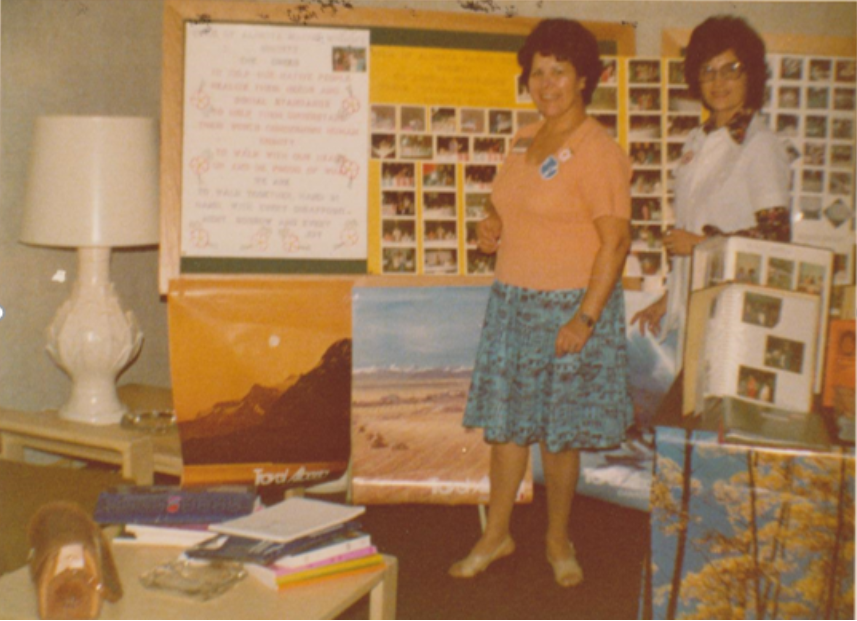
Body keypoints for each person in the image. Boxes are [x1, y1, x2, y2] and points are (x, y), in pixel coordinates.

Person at [448, 19, 633, 588]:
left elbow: (616, 241)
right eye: (537, 72)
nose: (547, 82)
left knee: (558, 434)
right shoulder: (527, 138)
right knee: (506, 431)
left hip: (569, 310)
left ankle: (557, 539)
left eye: (560, 71)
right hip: (512, 302)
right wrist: (492, 223)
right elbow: (508, 202)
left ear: (584, 78)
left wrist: (585, 317)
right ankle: (496, 535)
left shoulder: (600, 150)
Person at [631, 16, 791, 354]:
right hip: (697, 310)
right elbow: (692, 233)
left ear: (750, 73)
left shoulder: (759, 144)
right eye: (708, 69)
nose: (719, 81)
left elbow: (777, 237)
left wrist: (703, 244)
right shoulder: (698, 140)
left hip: (737, 316)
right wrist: (668, 298)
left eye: (730, 68)